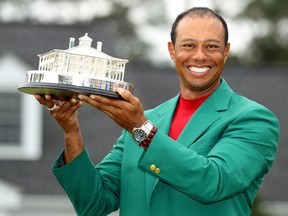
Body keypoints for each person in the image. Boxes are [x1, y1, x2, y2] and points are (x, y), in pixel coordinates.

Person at [35, 7, 279, 216]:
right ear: (172, 51)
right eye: (189, 45)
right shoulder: (147, 119)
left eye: (212, 46)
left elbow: (213, 181)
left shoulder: (254, 119)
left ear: (225, 52)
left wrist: (140, 129)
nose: (200, 55)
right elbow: (93, 204)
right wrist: (71, 130)